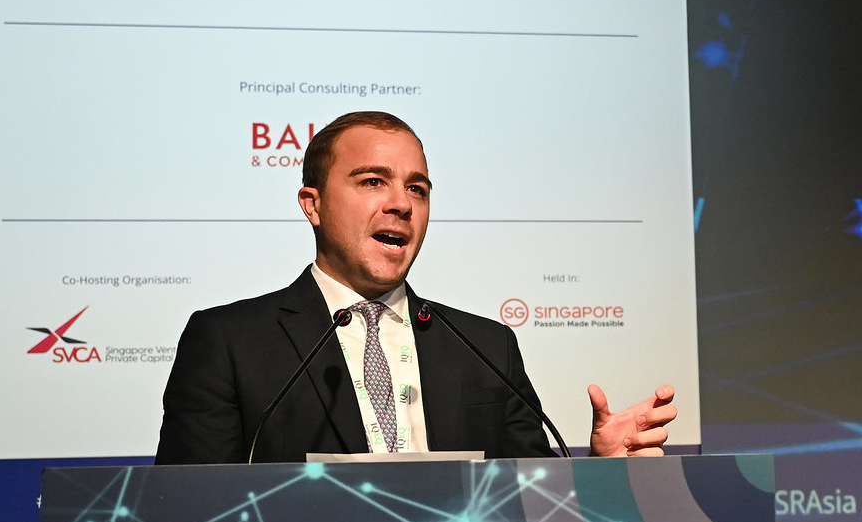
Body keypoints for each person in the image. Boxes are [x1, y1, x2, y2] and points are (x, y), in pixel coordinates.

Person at [155, 110, 674, 463]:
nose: (402, 204)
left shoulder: (485, 347)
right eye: (372, 181)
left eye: (417, 189)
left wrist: (601, 473)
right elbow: (188, 515)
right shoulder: (228, 341)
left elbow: (533, 510)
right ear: (313, 204)